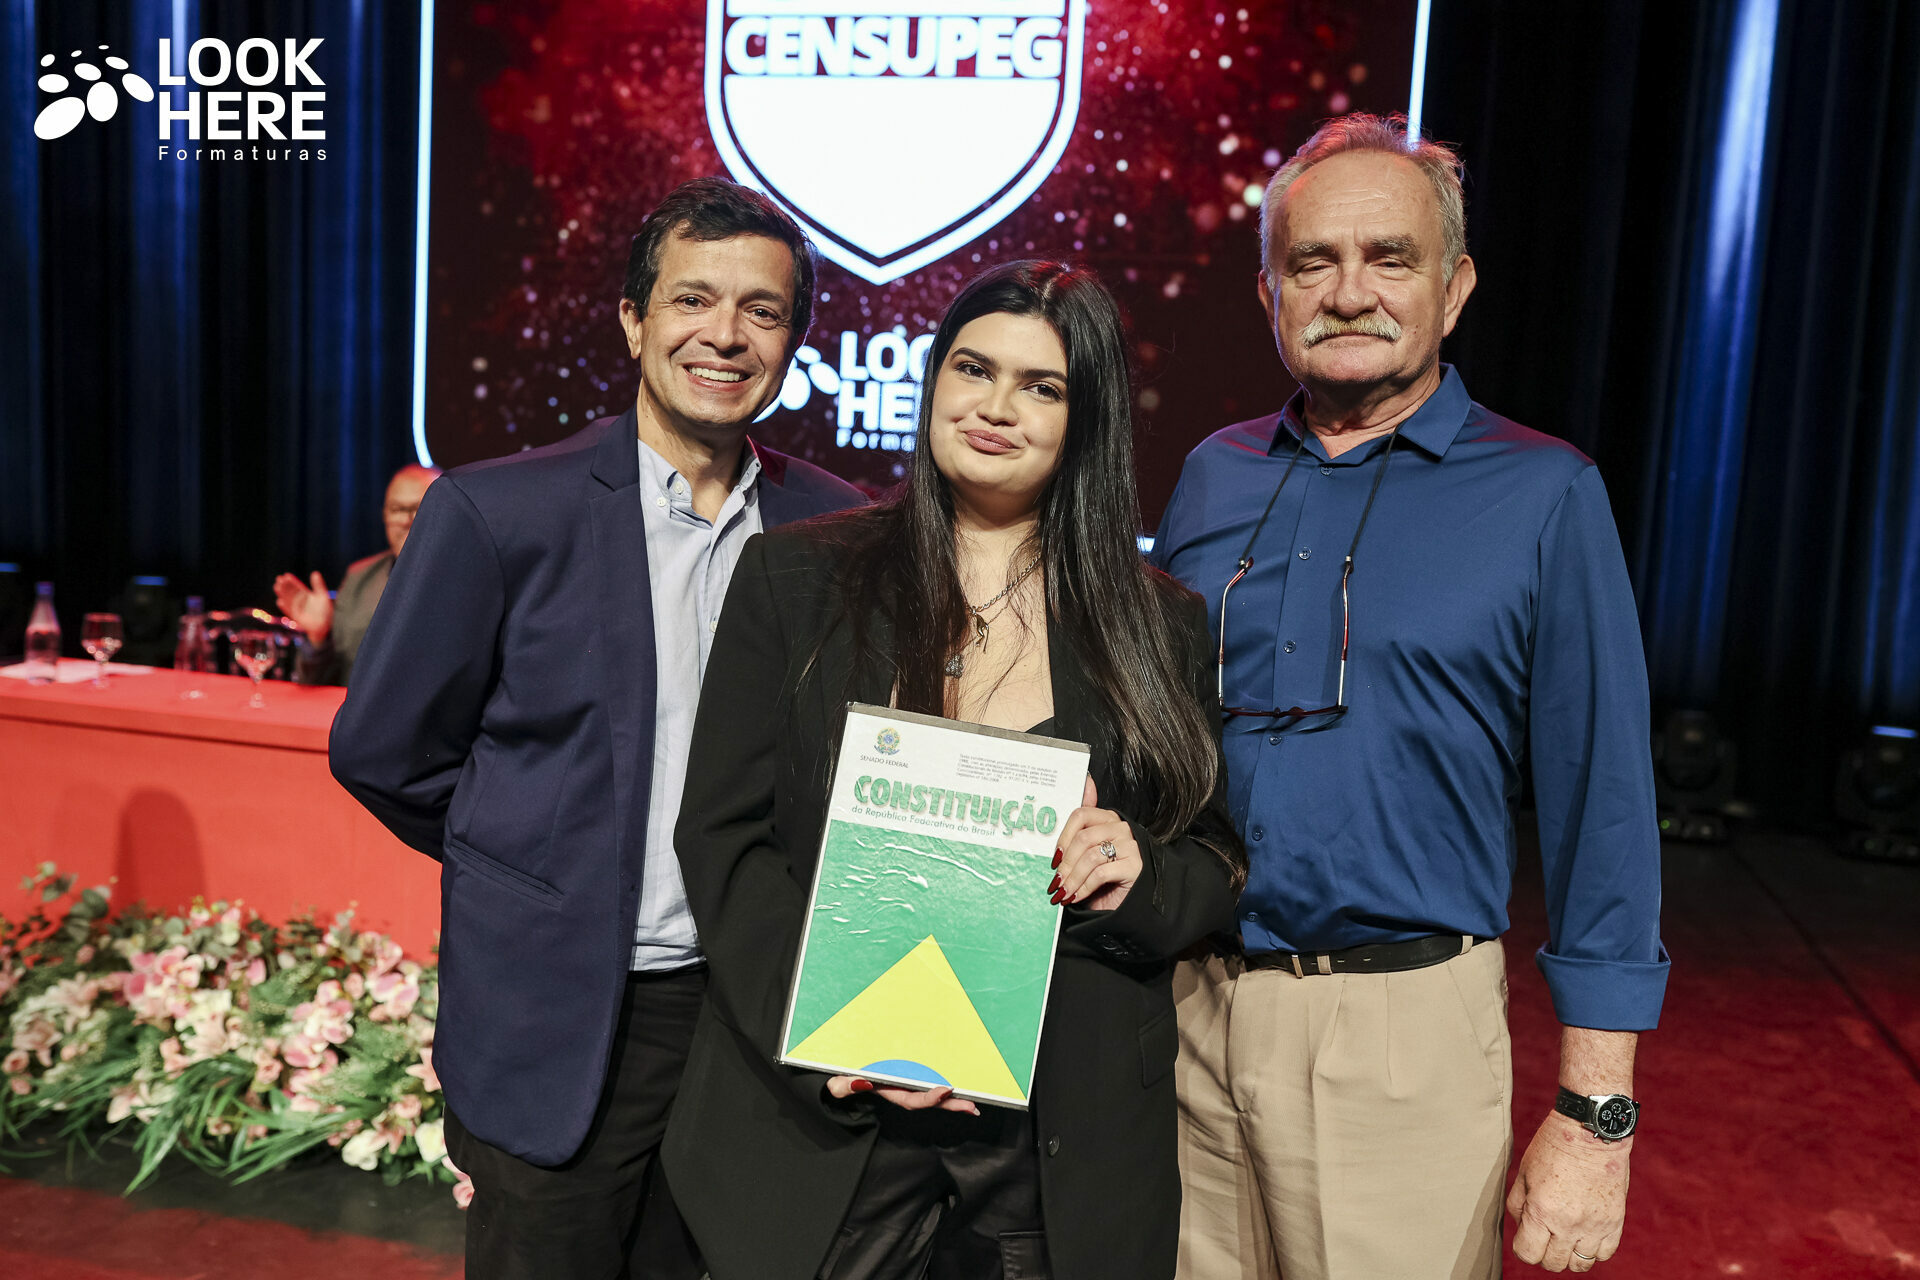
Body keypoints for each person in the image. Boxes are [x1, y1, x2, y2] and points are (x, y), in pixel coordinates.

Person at [1151, 114, 1668, 1279]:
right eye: (1312, 262)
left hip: (1403, 1036)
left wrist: (1597, 1116)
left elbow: (1603, 808)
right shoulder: (1213, 474)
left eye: (1389, 258)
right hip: (1187, 1020)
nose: (1349, 292)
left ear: (1455, 286)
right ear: (1270, 294)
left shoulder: (1544, 492)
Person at [664, 260, 1246, 1280]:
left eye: (1041, 386)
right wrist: (837, 1033)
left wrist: (1138, 870)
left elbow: (1214, 860)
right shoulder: (795, 577)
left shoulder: (1160, 622)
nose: (995, 406)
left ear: (1086, 420)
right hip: (830, 1124)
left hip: (1054, 1144)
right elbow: (724, 839)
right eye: (973, 369)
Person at [329, 177, 866, 1280]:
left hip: (749, 1021)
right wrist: (542, 860)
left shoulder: (838, 526)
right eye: (692, 299)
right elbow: (384, 751)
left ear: (794, 341)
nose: (725, 334)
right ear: (633, 319)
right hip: (564, 1020)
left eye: (762, 310)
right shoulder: (498, 513)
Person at [273, 463, 439, 685]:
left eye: (420, 508)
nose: (407, 521)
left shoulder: (473, 580)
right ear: (385, 515)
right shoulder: (359, 578)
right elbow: (321, 680)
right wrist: (319, 638)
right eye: (397, 509)